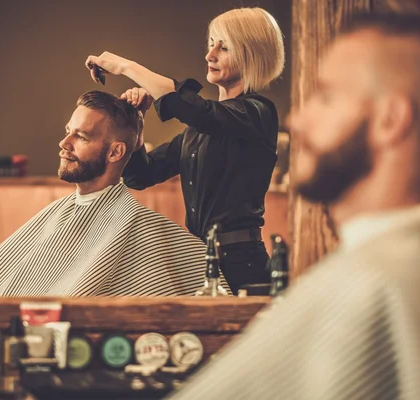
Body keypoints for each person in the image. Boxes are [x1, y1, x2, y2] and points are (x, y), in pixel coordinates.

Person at [168, 14, 420, 399]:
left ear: (391, 118)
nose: (297, 119)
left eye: (327, 96)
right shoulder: (405, 269)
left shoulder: (382, 289)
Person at [0, 91, 230, 297]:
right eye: (68, 131)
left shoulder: (137, 225)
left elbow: (205, 286)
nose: (63, 143)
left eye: (80, 137)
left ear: (116, 151)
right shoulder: (58, 213)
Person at [85, 7, 285, 294]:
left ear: (251, 54)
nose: (210, 54)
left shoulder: (258, 112)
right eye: (211, 43)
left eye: (224, 47)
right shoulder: (196, 132)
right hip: (200, 261)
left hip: (244, 266)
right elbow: (141, 176)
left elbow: (195, 108)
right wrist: (138, 128)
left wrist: (127, 67)